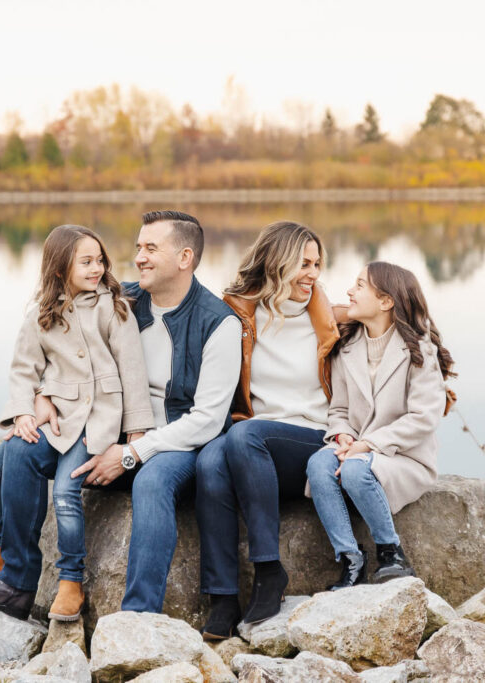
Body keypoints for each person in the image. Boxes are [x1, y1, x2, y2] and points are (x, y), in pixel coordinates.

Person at [0, 224, 153, 620]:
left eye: (100, 260)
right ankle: (14, 579)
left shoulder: (115, 306)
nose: (97, 267)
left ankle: (70, 581)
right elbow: (24, 369)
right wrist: (24, 410)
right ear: (59, 270)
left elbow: (133, 372)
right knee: (12, 454)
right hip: (62, 416)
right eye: (86, 262)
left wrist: (136, 437)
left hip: (100, 421)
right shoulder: (43, 312)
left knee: (66, 493)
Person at [35, 210, 242, 614]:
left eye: (151, 248)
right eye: (138, 248)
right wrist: (41, 392)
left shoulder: (218, 323)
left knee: (151, 481)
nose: (139, 258)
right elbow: (48, 330)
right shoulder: (119, 298)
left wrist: (131, 454)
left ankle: (137, 615)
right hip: (110, 429)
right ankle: (15, 581)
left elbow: (207, 420)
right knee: (20, 452)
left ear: (185, 258)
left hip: (180, 447)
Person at [195, 221, 340, 639]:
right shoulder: (236, 314)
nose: (312, 273)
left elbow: (399, 333)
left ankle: (268, 570)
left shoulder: (331, 320)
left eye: (317, 264)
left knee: (245, 435)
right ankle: (222, 598)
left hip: (311, 443)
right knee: (209, 462)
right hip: (253, 450)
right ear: (276, 263)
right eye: (303, 264)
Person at [306, 262, 456, 590]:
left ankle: (392, 553)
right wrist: (343, 435)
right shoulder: (346, 346)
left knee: (355, 470)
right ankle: (350, 560)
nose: (350, 291)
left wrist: (366, 445)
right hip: (356, 448)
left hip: (403, 457)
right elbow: (340, 408)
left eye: (360, 285)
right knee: (318, 463)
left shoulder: (420, 350)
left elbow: (423, 418)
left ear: (386, 301)